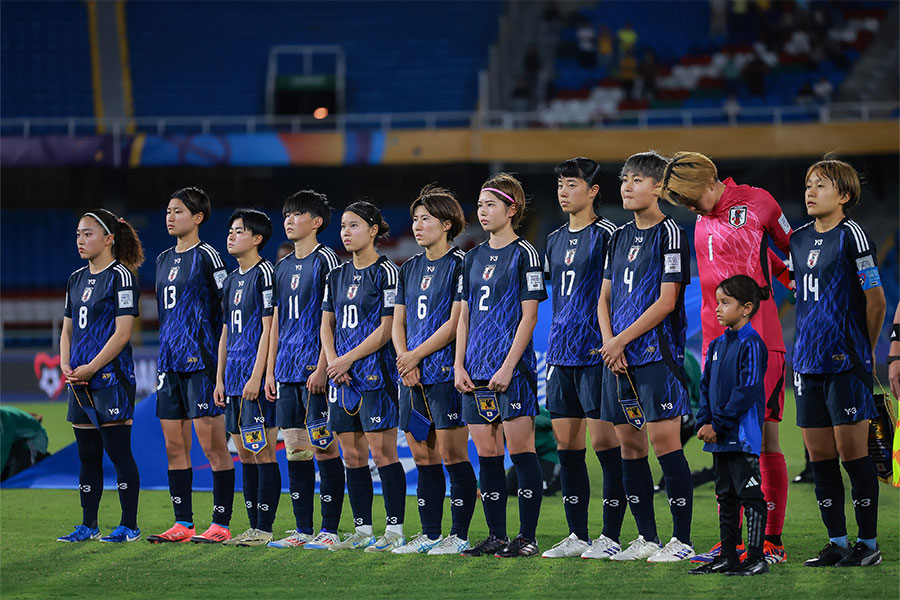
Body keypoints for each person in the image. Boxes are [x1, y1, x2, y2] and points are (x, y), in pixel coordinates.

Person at [659, 151, 791, 565]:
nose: (690, 207)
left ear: (709, 181)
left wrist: (800, 285)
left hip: (759, 337)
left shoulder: (760, 203)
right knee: (723, 443)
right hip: (716, 346)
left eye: (690, 198)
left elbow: (795, 252)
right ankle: (730, 541)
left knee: (761, 439)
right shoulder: (701, 217)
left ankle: (770, 540)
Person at [598, 151, 694, 562]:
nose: (627, 186)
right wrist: (610, 343)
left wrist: (621, 341)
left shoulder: (671, 232)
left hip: (658, 356)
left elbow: (667, 300)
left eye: (637, 180)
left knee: (664, 443)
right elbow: (603, 297)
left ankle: (682, 541)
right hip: (617, 357)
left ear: (658, 186)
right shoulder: (617, 236)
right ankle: (648, 539)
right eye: (624, 179)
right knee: (629, 448)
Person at [790, 158, 886, 567]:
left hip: (846, 364)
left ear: (844, 196)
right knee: (822, 459)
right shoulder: (796, 239)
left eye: (821, 186)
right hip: (806, 365)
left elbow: (876, 300)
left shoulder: (853, 236)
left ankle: (868, 545)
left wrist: (864, 352)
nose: (811, 191)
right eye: (808, 184)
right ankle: (838, 542)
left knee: (853, 457)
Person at [455, 173, 548, 558]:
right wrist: (458, 364)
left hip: (511, 371)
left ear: (512, 209)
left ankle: (527, 537)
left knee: (522, 452)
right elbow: (462, 318)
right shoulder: (472, 256)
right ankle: (496, 535)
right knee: (488, 456)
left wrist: (509, 366)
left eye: (491, 204)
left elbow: (529, 318)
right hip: (473, 371)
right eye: (480, 204)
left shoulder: (526, 253)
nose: (483, 211)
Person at [540, 158, 626, 560]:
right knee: (567, 447)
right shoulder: (554, 239)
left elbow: (614, 296)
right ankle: (577, 535)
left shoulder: (610, 235)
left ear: (592, 191)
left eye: (572, 184)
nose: (563, 191)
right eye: (560, 183)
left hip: (597, 355)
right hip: (561, 355)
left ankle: (610, 536)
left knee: (606, 444)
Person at [391, 185, 477, 555]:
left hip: (443, 374)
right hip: (410, 377)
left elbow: (455, 321)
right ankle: (428, 535)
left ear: (446, 224)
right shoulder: (408, 268)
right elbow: (398, 321)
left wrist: (416, 356)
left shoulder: (461, 264)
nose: (417, 225)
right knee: (423, 457)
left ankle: (458, 536)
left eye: (425, 218)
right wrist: (403, 357)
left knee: (453, 456)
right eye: (414, 218)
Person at [148, 187, 235, 545]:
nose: (170, 217)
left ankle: (220, 524)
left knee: (213, 446)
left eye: (178, 211)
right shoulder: (162, 258)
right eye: (168, 211)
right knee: (174, 448)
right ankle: (182, 523)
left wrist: (221, 366)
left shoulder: (209, 257)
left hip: (201, 363)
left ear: (198, 217)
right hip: (169, 365)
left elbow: (228, 308)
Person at [321, 201, 407, 552]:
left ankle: (395, 531)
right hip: (341, 379)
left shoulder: (387, 272)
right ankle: (362, 530)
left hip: (376, 376)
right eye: (343, 225)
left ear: (373, 230)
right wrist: (333, 362)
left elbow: (387, 328)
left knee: (383, 453)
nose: (346, 232)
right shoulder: (336, 275)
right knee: (352, 457)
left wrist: (347, 360)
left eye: (354, 225)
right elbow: (326, 323)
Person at [263, 191, 344, 549]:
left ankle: (329, 530)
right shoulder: (281, 266)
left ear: (317, 222)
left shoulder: (328, 261)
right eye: (287, 214)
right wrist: (270, 371)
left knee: (324, 447)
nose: (289, 220)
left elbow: (335, 320)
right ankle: (303, 530)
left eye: (297, 214)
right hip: (287, 371)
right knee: (295, 450)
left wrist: (325, 366)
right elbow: (276, 324)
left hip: (316, 370)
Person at [57, 209, 143, 543]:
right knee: (87, 455)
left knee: (118, 453)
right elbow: (66, 330)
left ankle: (129, 525)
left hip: (110, 378)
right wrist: (66, 363)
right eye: (78, 233)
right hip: (78, 379)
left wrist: (92, 367)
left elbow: (123, 333)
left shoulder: (122, 276)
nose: (81, 240)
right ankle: (88, 525)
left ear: (109, 239)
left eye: (88, 233)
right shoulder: (75, 279)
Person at [690, 275, 771, 577]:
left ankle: (756, 557)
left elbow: (746, 390)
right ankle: (727, 556)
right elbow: (706, 385)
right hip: (720, 436)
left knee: (750, 496)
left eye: (725, 303)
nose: (718, 309)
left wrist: (718, 424)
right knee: (725, 497)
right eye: (717, 302)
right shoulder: (717, 344)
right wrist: (704, 420)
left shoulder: (752, 344)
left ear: (747, 308)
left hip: (741, 436)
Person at [213, 209, 278, 547]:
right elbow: (225, 331)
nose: (231, 236)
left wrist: (258, 375)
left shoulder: (265, 273)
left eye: (239, 231)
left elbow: (270, 328)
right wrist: (220, 378)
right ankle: (252, 527)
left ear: (257, 239)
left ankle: (264, 528)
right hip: (233, 378)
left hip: (254, 379)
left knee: (263, 452)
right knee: (245, 453)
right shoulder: (231, 279)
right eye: (230, 230)